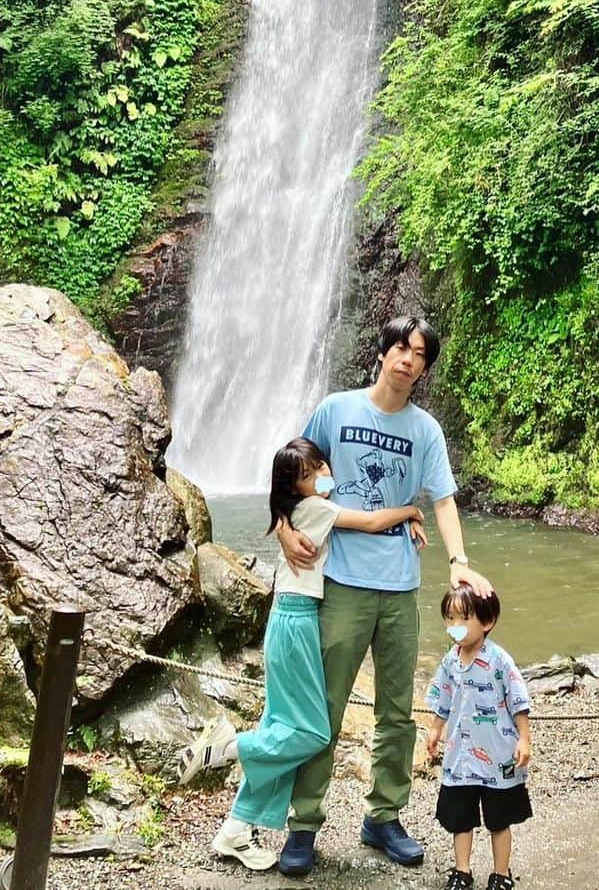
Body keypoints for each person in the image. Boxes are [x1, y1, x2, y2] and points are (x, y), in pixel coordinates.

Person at [275, 314, 494, 877]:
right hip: (341, 581)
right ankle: (303, 825)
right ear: (382, 352)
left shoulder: (425, 431)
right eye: (400, 347)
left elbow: (442, 499)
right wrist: (283, 528)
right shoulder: (336, 409)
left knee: (397, 713)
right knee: (324, 707)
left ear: (423, 368)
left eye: (418, 354)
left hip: (399, 584)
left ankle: (384, 816)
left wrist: (460, 563)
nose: (407, 359)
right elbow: (289, 471)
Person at [176, 437, 427, 870]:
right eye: (309, 475)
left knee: (280, 725)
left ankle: (235, 831)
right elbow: (369, 522)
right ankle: (228, 745)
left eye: (320, 467)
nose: (321, 476)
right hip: (296, 619)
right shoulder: (314, 509)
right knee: (311, 732)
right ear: (295, 487)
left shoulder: (292, 511)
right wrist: (410, 511)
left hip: (291, 615)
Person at [425, 586, 532, 890]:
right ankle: (462, 870)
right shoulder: (450, 661)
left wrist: (524, 739)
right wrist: (435, 730)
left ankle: (501, 873)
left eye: (462, 618)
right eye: (449, 618)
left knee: (499, 819)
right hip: (460, 755)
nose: (454, 626)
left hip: (498, 756)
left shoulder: (499, 661)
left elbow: (519, 702)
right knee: (461, 817)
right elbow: (442, 699)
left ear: (487, 622)